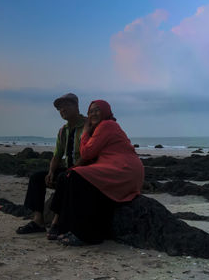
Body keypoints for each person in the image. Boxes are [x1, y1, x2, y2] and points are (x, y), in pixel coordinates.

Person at [49, 99, 144, 245]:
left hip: (123, 169)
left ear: (106, 111)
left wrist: (85, 132)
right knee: (72, 177)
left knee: (74, 176)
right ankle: (66, 227)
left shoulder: (107, 125)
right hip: (122, 169)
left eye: (97, 110)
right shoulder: (104, 126)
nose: (93, 113)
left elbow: (86, 153)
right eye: (91, 111)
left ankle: (83, 234)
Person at [16, 93, 86, 235]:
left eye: (66, 105)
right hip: (69, 168)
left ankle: (57, 221)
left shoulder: (87, 125)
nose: (63, 110)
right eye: (60, 108)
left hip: (84, 171)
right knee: (37, 178)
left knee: (63, 178)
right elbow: (57, 155)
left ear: (76, 106)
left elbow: (89, 153)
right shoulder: (63, 131)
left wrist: (69, 170)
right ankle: (38, 221)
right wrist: (51, 172)